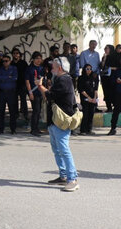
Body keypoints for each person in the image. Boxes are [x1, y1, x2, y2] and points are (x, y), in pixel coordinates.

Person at [34, 57, 79, 192]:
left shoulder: (64, 79)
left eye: (53, 66)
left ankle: (72, 179)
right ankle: (63, 176)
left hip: (61, 120)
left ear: (59, 68)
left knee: (64, 150)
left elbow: (49, 95)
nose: (51, 68)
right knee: (57, 150)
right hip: (55, 120)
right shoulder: (59, 79)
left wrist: (39, 85)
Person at [0, 55, 18, 134]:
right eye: (3, 61)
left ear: (10, 61)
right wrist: (8, 77)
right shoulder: (0, 69)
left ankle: (13, 129)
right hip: (2, 91)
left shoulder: (14, 68)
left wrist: (4, 78)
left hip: (11, 92)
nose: (4, 63)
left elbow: (15, 78)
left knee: (12, 111)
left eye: (6, 61)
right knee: (1, 111)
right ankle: (1, 129)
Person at [25, 52, 44, 136]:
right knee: (35, 110)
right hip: (33, 91)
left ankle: (37, 127)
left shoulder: (41, 68)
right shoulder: (29, 68)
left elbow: (43, 79)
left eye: (40, 58)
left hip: (40, 91)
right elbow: (27, 81)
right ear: (33, 59)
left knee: (39, 110)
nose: (39, 60)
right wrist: (30, 92)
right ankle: (33, 129)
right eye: (37, 58)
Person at [77, 64, 99, 135]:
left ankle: (89, 129)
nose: (89, 70)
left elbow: (95, 88)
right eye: (87, 69)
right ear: (84, 69)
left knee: (91, 113)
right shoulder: (81, 78)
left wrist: (95, 98)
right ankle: (83, 130)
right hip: (85, 98)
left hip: (93, 99)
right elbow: (81, 90)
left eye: (90, 69)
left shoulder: (94, 77)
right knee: (85, 114)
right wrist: (88, 97)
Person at [11, 48, 29, 122]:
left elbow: (26, 73)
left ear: (19, 54)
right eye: (14, 53)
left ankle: (25, 114)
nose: (16, 54)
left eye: (17, 53)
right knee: (14, 100)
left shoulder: (23, 63)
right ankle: (15, 114)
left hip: (22, 84)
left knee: (23, 100)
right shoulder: (11, 63)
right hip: (14, 84)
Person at [100, 44, 116, 112]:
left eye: (107, 48)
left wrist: (110, 68)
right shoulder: (104, 57)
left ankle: (116, 106)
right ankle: (108, 107)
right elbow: (102, 67)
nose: (105, 49)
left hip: (112, 77)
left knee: (113, 92)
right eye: (105, 48)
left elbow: (117, 66)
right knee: (106, 92)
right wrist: (104, 58)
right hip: (105, 77)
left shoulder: (114, 57)